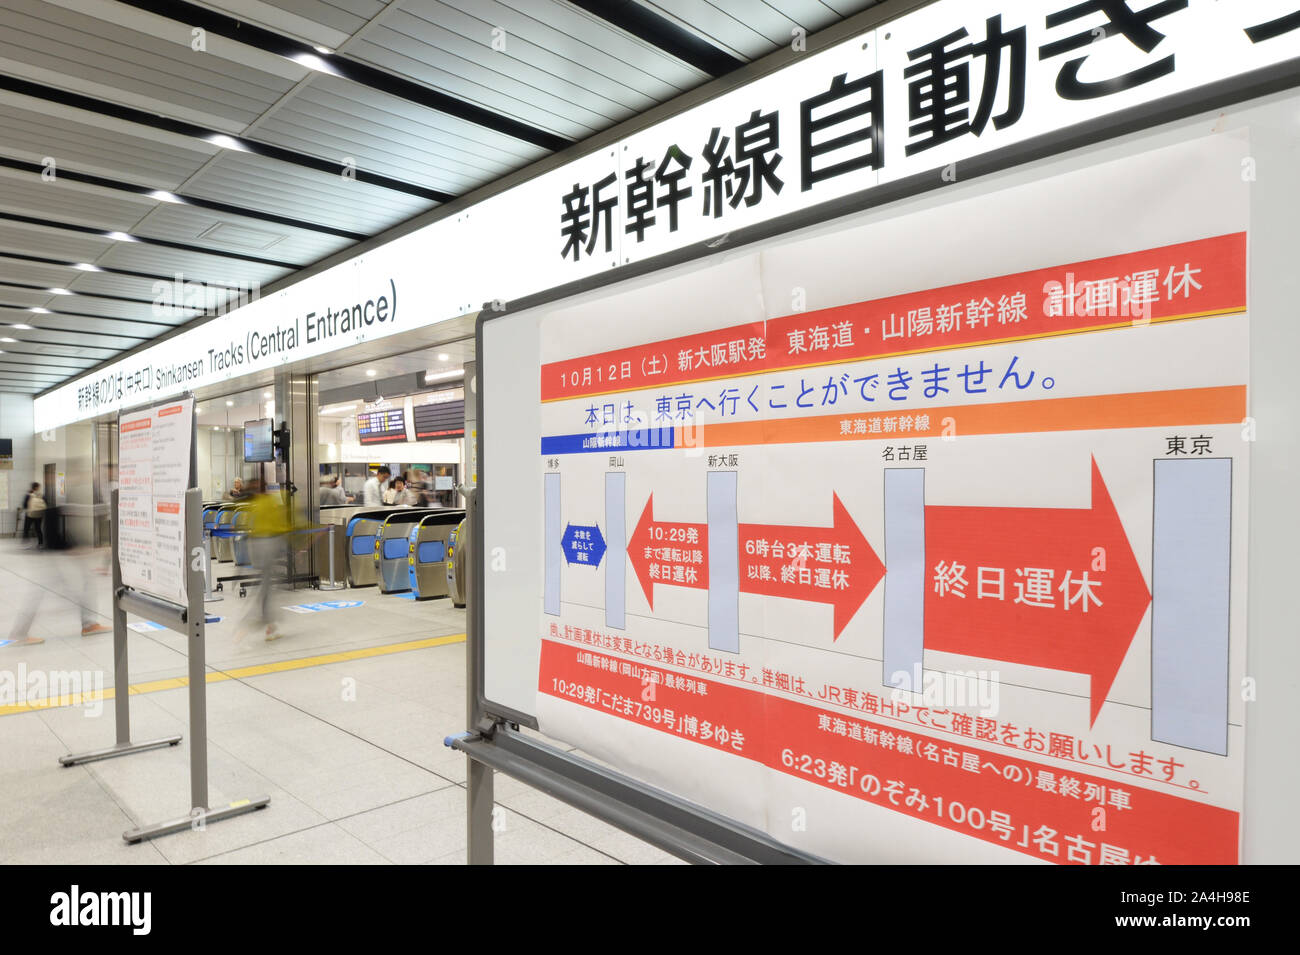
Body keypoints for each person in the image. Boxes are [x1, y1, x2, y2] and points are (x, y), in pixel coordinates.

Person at [7, 507, 110, 645]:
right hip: (58, 555)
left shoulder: (56, 497)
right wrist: (71, 549)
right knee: (80, 587)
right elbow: (53, 529)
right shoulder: (54, 496)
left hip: (55, 554)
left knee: (76, 587)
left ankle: (88, 623)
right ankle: (88, 624)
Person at [243, 480, 293, 641]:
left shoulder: (255, 504)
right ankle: (264, 623)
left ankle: (270, 623)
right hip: (269, 545)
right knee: (267, 587)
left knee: (266, 585)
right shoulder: (271, 502)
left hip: (256, 546)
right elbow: (280, 526)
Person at [21, 482, 45, 548]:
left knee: (26, 529)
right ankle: (40, 544)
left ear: (32, 487)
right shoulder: (41, 495)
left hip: (30, 514)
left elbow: (24, 505)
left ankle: (26, 545)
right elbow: (45, 503)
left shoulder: (28, 495)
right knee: (38, 529)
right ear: (37, 487)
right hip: (39, 514)